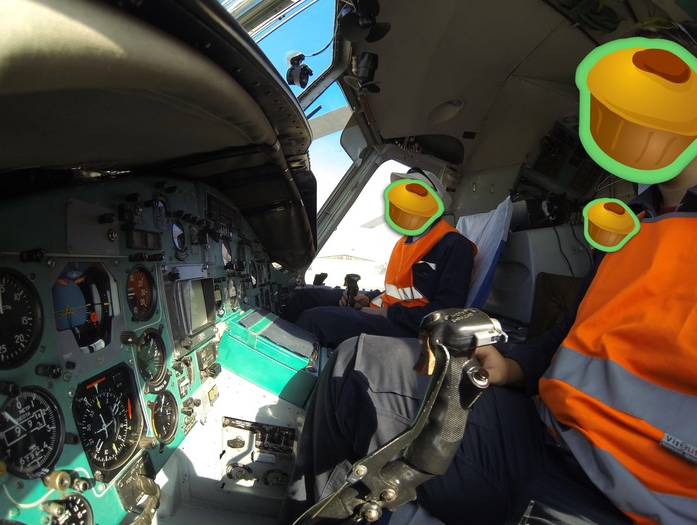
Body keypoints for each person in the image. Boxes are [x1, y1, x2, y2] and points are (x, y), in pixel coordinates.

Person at [278, 23, 697, 525]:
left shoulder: (451, 245)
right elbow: (569, 337)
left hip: (631, 493)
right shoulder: (631, 228)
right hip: (544, 431)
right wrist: (512, 367)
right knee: (357, 364)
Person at [281, 168, 477, 350]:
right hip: (390, 311)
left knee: (315, 320)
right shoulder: (407, 242)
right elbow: (396, 291)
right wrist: (368, 299)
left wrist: (387, 313)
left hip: (411, 329)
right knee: (304, 298)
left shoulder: (454, 245)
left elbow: (447, 314)